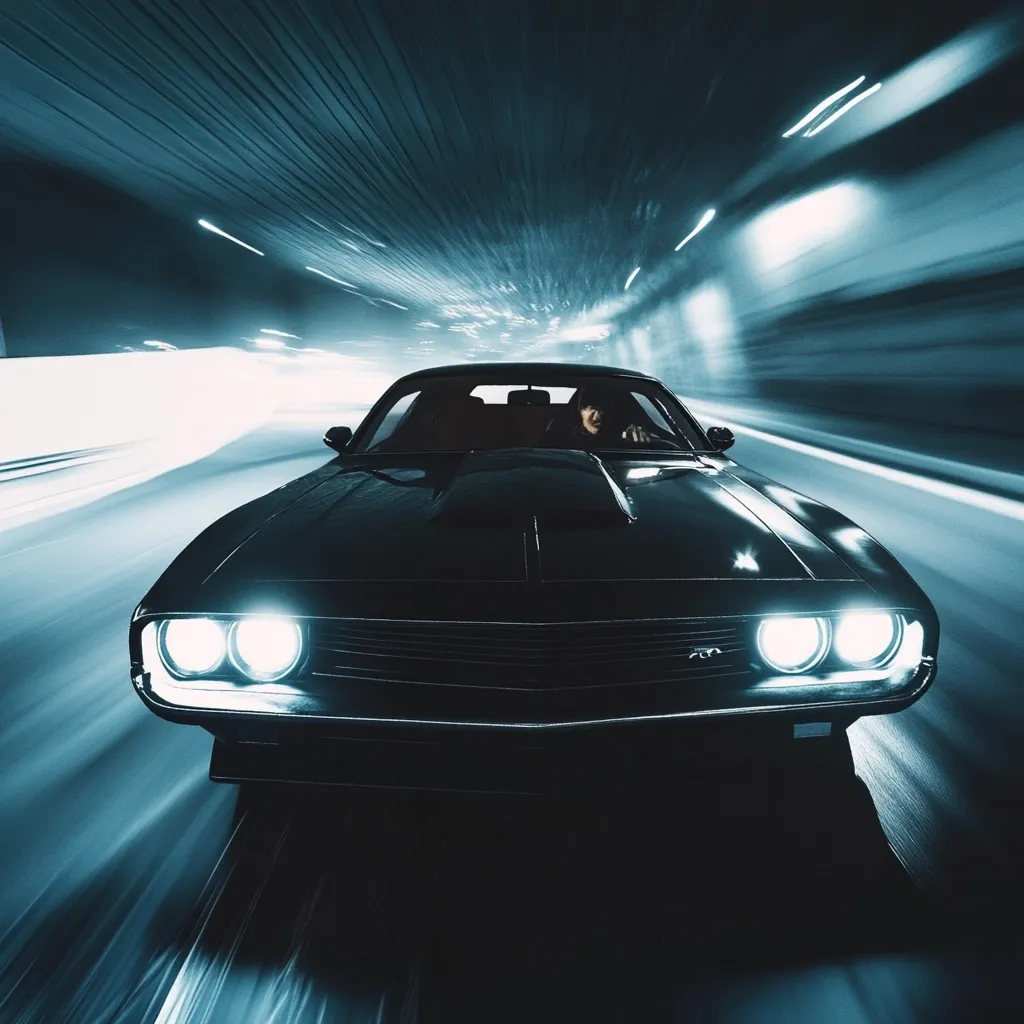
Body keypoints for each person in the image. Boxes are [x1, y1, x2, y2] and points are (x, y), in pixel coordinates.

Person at [544, 385, 654, 447]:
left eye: (602, 408)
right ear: (579, 412)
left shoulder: (624, 438)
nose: (597, 415)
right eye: (590, 408)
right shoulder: (560, 440)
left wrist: (639, 445)